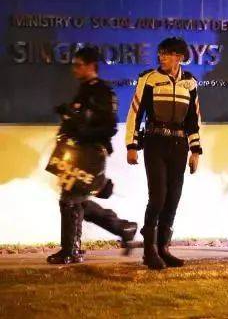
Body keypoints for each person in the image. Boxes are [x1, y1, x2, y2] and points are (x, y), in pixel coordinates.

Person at [47, 47, 138, 264]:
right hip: (77, 152)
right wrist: (68, 115)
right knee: (77, 201)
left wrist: (83, 130)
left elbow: (109, 127)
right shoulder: (85, 89)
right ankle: (123, 228)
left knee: (70, 200)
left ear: (91, 66)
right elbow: (81, 118)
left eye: (79, 65)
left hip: (90, 153)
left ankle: (70, 250)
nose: (75, 69)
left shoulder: (102, 91)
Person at [126, 37, 202, 270]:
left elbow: (194, 119)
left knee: (173, 197)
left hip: (179, 145)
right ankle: (149, 251)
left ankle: (163, 248)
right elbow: (135, 113)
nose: (162, 57)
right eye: (160, 53)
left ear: (179, 57)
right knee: (158, 196)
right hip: (155, 142)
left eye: (167, 54)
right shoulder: (149, 79)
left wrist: (195, 151)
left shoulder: (190, 83)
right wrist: (131, 145)